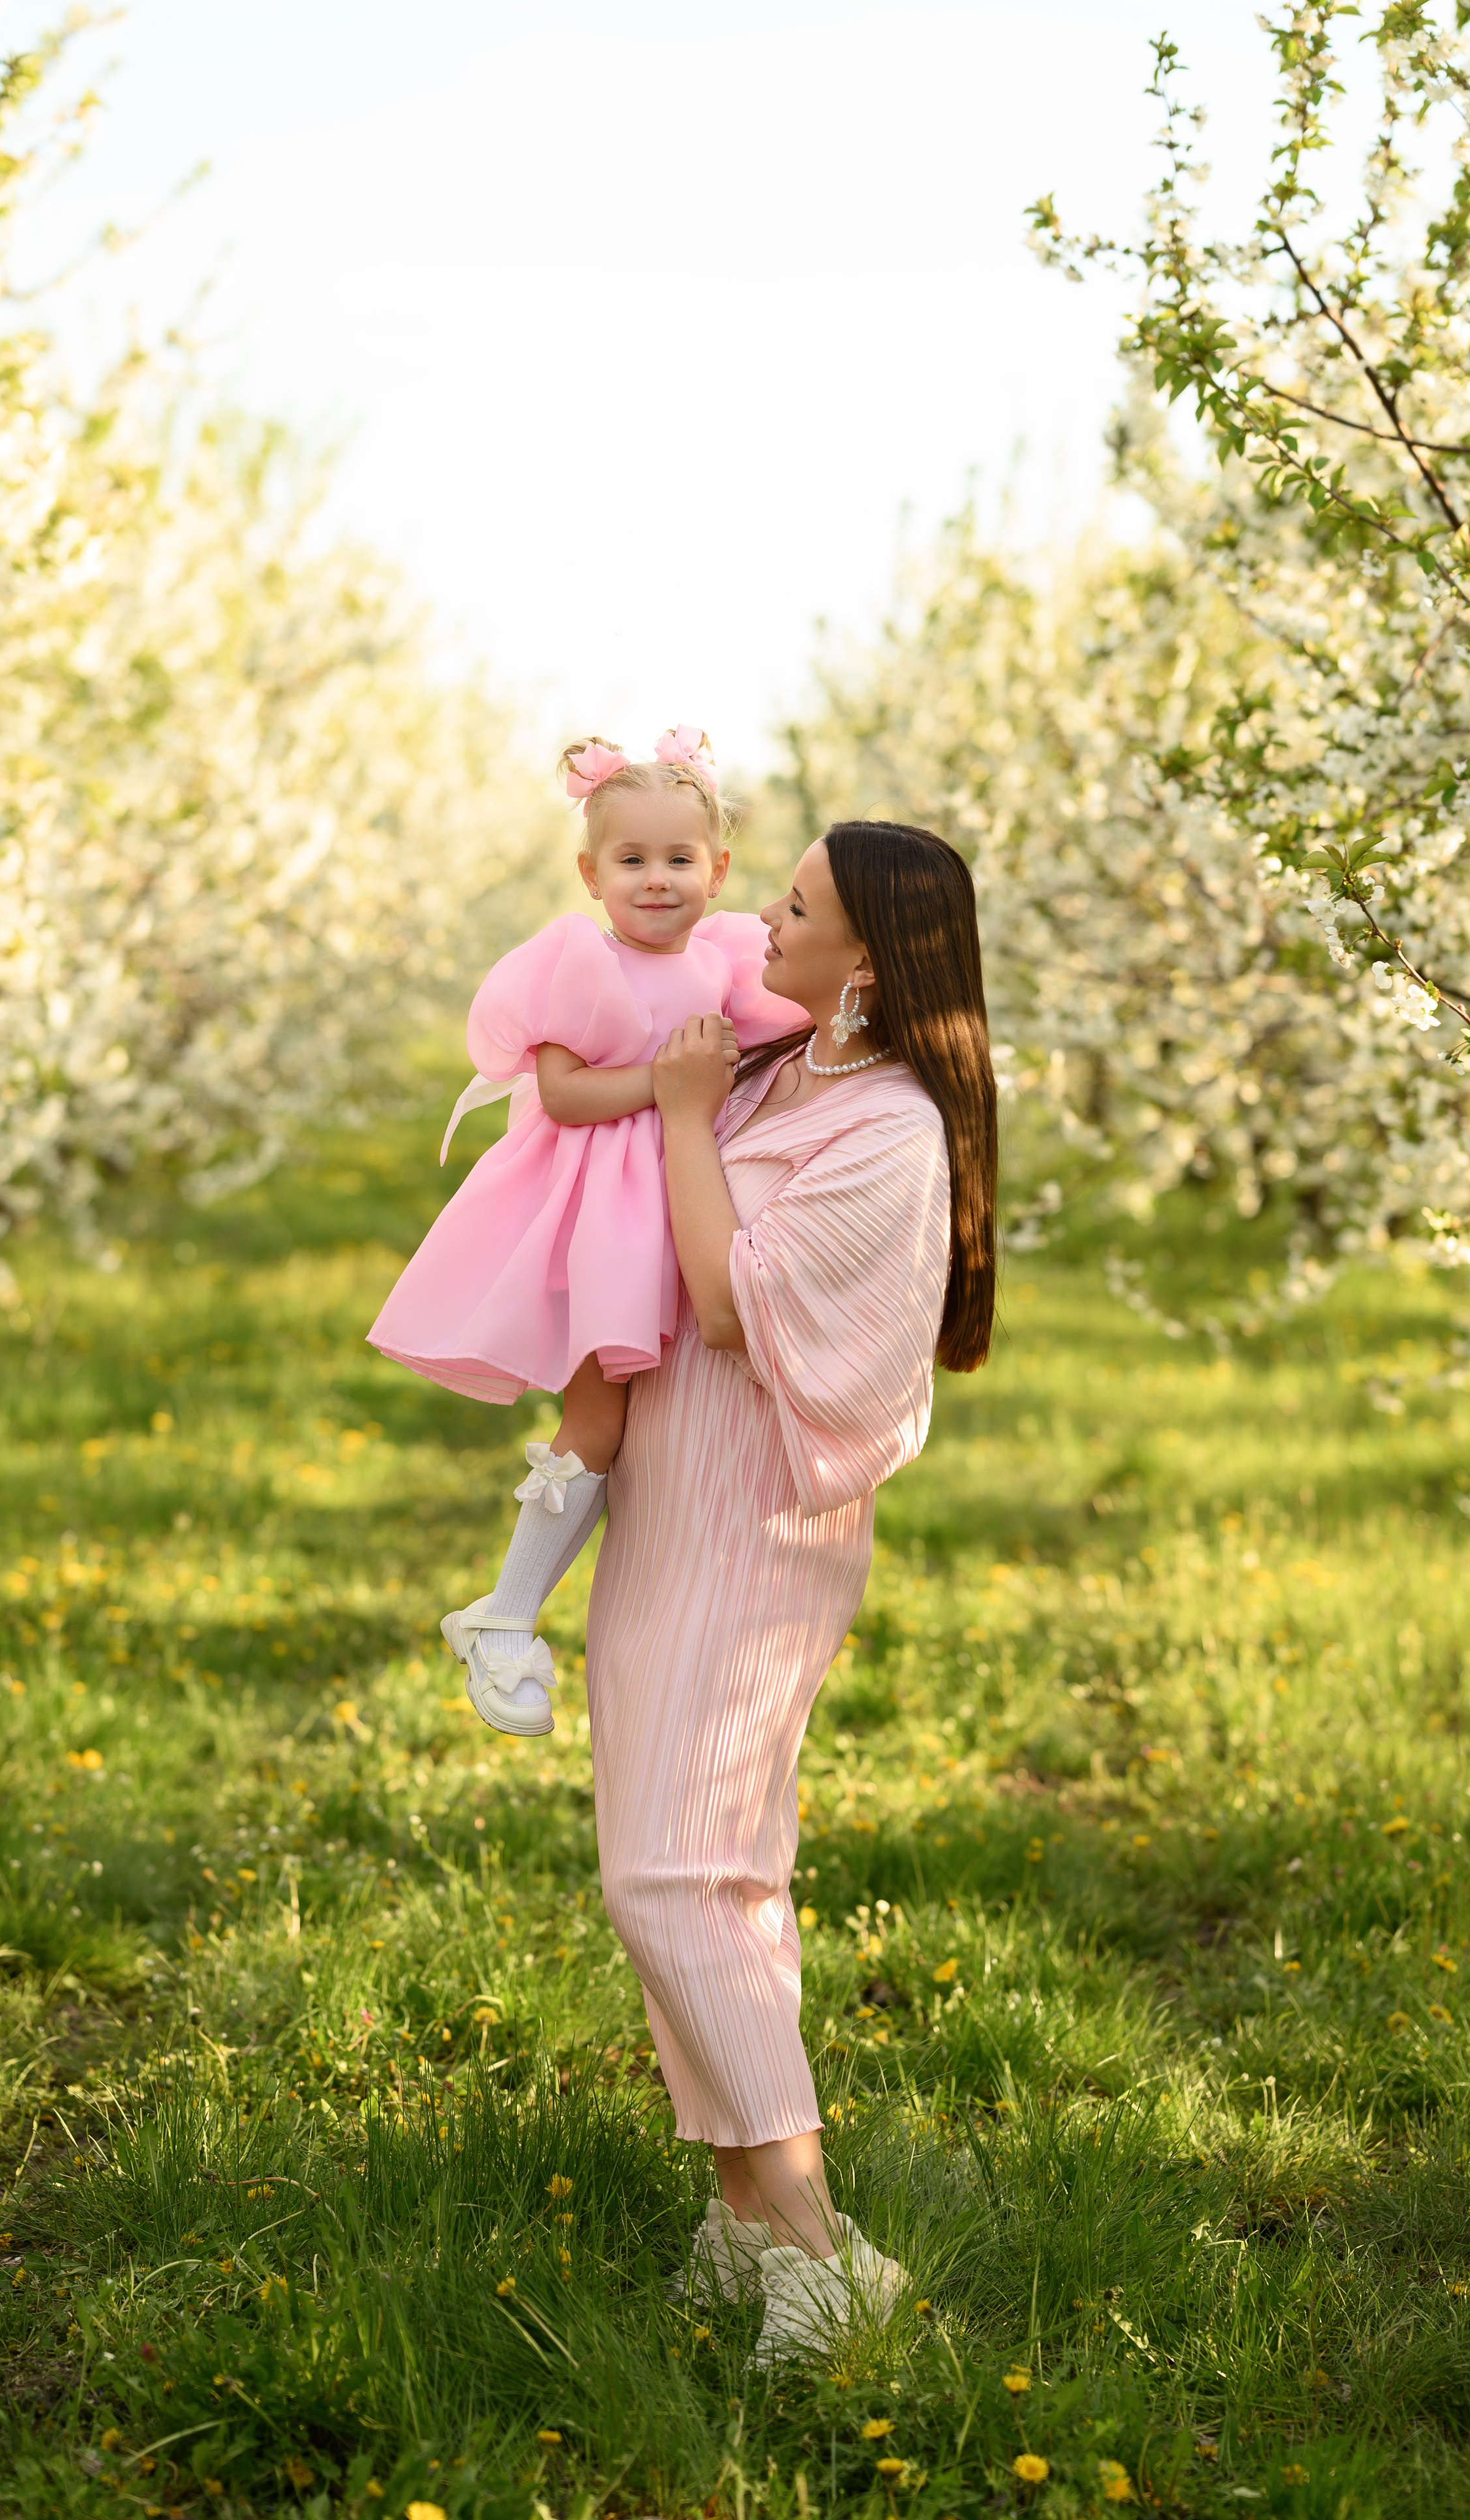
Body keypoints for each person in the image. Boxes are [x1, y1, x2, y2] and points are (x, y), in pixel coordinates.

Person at [585, 819, 998, 2362]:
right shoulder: (777, 1073)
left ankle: (825, 2260)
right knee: (709, 1874)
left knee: (672, 1877)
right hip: (668, 1499)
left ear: (871, 962)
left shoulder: (887, 1128)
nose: (764, 909)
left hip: (756, 1519)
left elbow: (725, 1297)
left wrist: (688, 1118)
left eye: (798, 902)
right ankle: (741, 2223)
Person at [366, 728, 806, 1737]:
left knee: (652, 1419)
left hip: (684, 1198)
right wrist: (672, 1084)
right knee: (600, 1420)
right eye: (632, 861)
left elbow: (790, 1027)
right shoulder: (578, 961)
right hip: (605, 1213)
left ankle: (515, 1612)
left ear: (720, 868)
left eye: (680, 860)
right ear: (590, 873)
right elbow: (563, 1095)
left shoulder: (728, 958)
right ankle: (506, 1614)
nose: (658, 881)